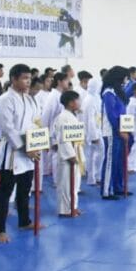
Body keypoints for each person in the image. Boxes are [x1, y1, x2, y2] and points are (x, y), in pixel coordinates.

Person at [0, 64, 41, 243]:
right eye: (24, 78)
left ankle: (24, 221)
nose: (28, 81)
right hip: (12, 151)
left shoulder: (29, 99)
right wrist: (25, 147)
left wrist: (38, 142)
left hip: (29, 149)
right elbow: (7, 128)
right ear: (13, 79)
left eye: (29, 78)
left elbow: (35, 122)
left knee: (25, 189)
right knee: (5, 192)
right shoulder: (4, 100)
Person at [100, 66, 129, 199]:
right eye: (125, 77)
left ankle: (118, 187)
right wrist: (119, 129)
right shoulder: (109, 92)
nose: (126, 80)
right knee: (111, 161)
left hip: (121, 129)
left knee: (119, 161)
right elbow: (111, 114)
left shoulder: (118, 91)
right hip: (112, 131)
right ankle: (106, 190)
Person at [53, 90, 83, 218]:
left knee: (75, 182)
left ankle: (73, 206)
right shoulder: (63, 117)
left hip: (75, 150)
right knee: (66, 183)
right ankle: (65, 209)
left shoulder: (71, 115)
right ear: (71, 103)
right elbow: (62, 139)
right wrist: (70, 155)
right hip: (68, 156)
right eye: (77, 100)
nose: (79, 102)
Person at [81, 78, 103, 186]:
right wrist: (94, 136)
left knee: (94, 154)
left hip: (96, 129)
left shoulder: (95, 98)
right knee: (92, 154)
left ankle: (95, 176)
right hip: (91, 132)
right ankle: (93, 177)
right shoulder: (89, 100)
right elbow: (90, 120)